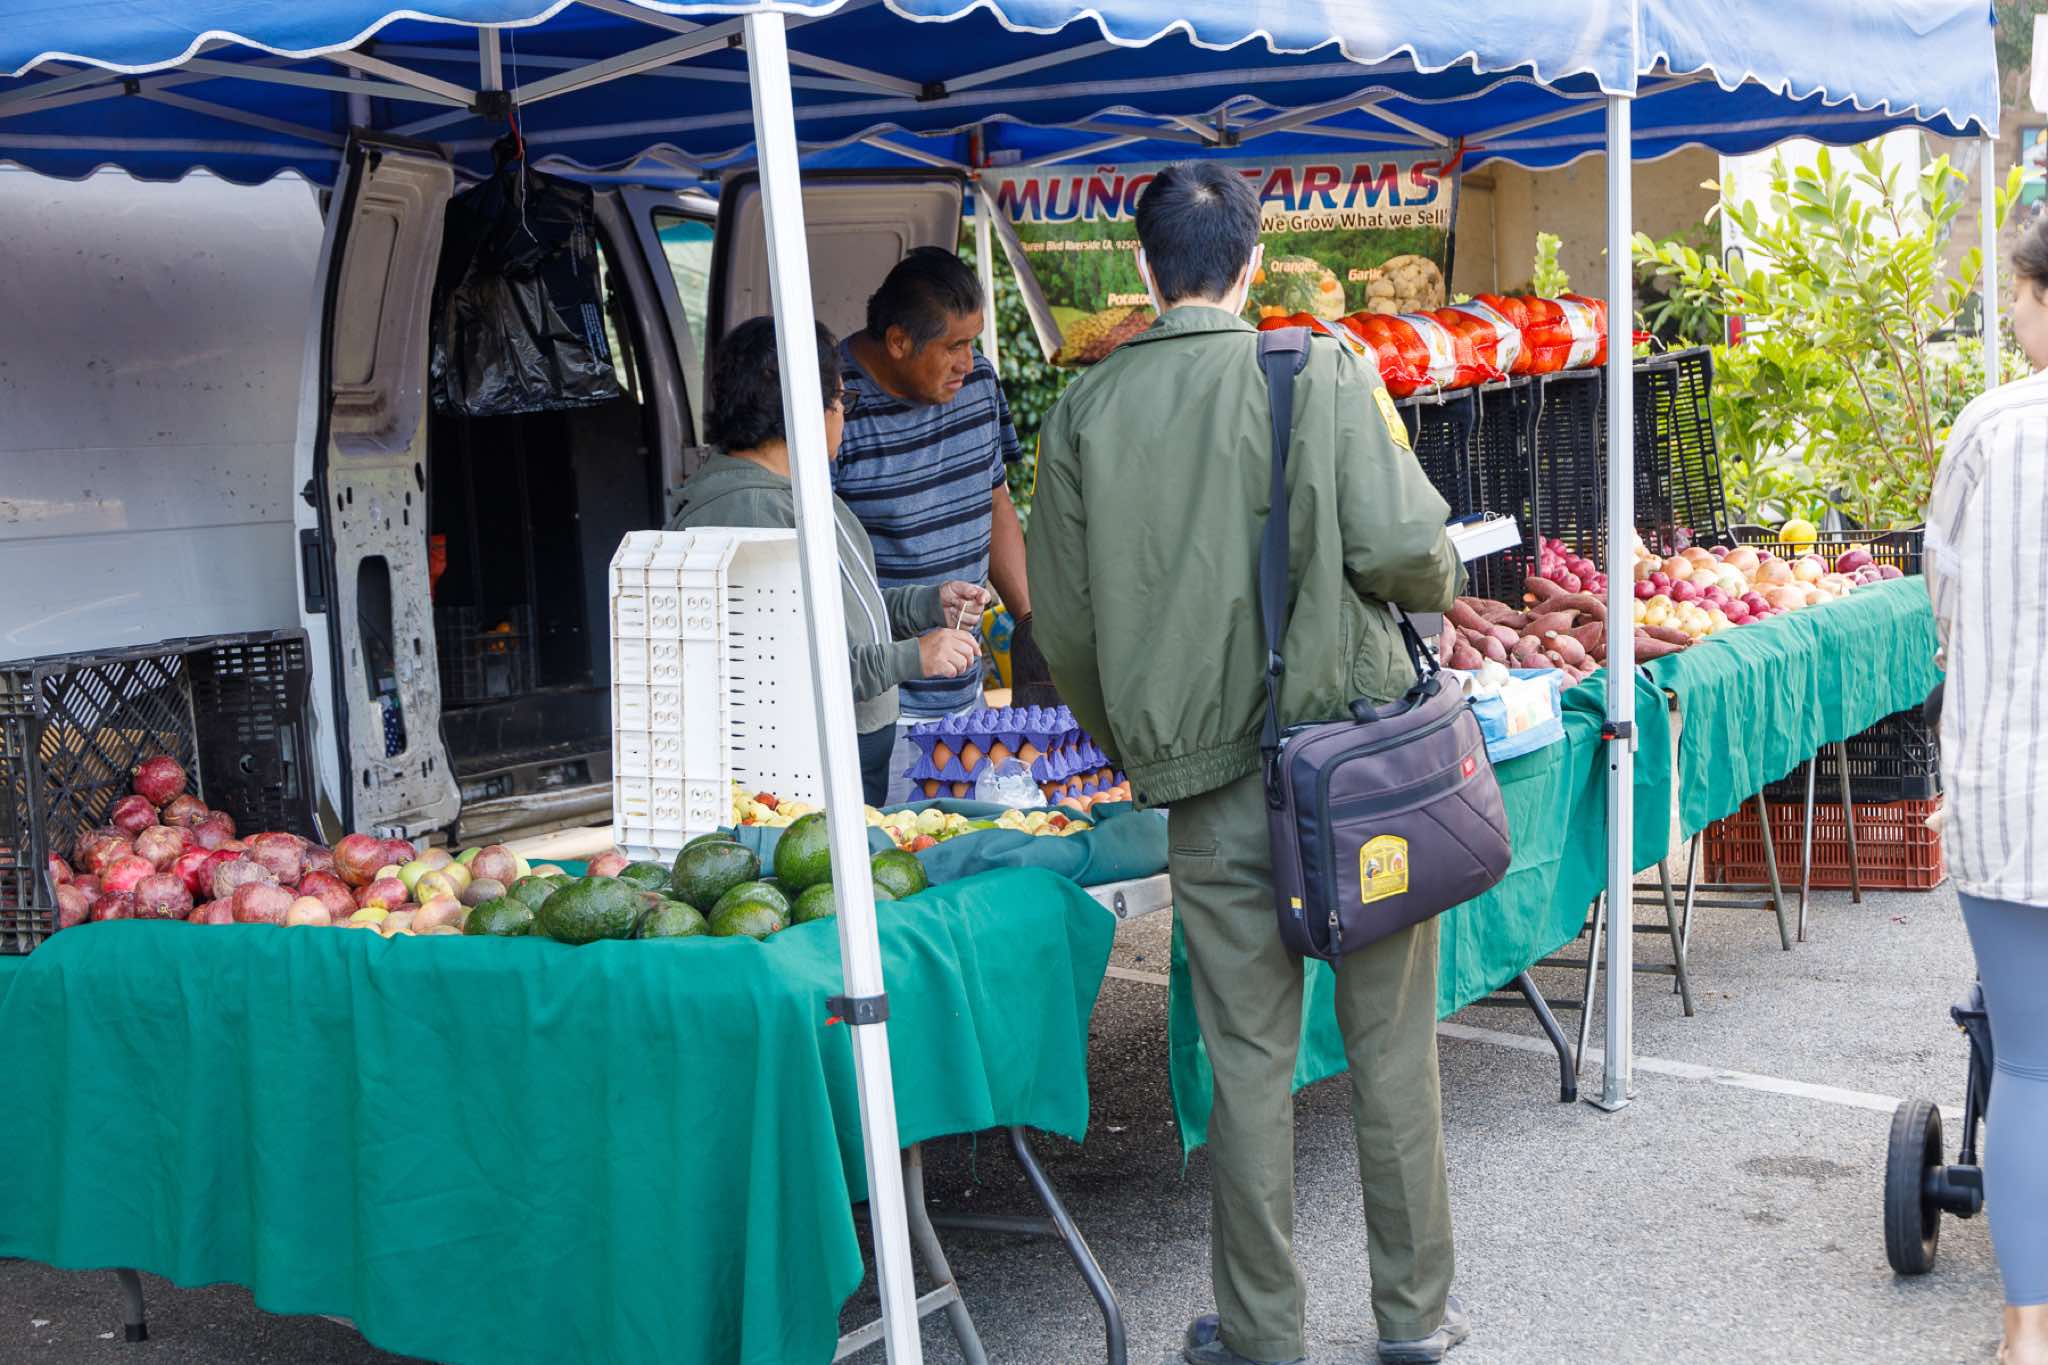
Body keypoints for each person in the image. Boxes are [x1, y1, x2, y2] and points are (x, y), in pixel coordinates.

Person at [1029, 162, 1468, 1365]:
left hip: (1209, 794)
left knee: (1245, 1069)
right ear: (1254, 262)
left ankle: (1263, 1332)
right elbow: (1409, 554)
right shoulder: (1317, 368)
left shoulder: (1082, 412)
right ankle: (1411, 1319)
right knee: (1390, 1052)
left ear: (1140, 267)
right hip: (1353, 777)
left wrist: (1150, 751)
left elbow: (1067, 632)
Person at [671, 315, 986, 806]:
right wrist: (914, 656)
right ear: (801, 407)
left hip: (852, 749)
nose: (844, 413)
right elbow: (801, 666)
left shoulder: (798, 491)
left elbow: (837, 612)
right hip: (809, 771)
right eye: (841, 398)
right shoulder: (752, 513)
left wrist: (926, 605)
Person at [1924, 214, 2048, 1365]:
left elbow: (1943, 599)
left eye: (2015, 295)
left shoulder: (1991, 428)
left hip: (2009, 793)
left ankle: (2024, 1337)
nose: (2009, 314)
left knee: (2026, 1064)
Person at [832, 247, 1038, 799]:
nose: (968, 363)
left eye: (973, 343)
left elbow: (995, 501)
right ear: (899, 341)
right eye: (953, 347)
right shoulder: (834, 405)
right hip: (881, 709)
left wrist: (1029, 621)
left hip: (965, 693)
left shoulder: (979, 384)